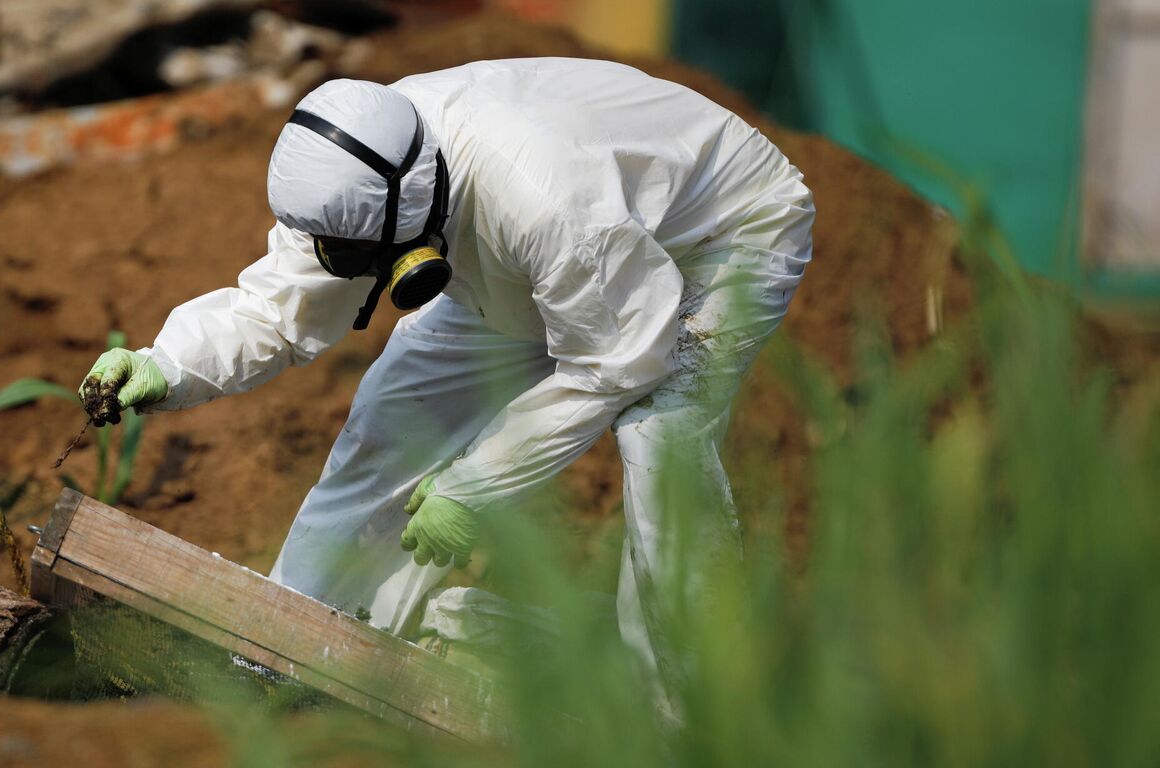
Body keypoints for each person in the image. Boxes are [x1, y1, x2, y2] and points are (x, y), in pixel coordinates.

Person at [78, 59, 813, 676]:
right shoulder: (363, 166)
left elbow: (617, 361)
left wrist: (476, 482)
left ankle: (689, 706)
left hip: (719, 234)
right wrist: (167, 363)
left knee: (660, 435)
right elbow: (280, 307)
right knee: (390, 421)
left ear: (411, 222)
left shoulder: (549, 204)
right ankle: (290, 646)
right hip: (535, 262)